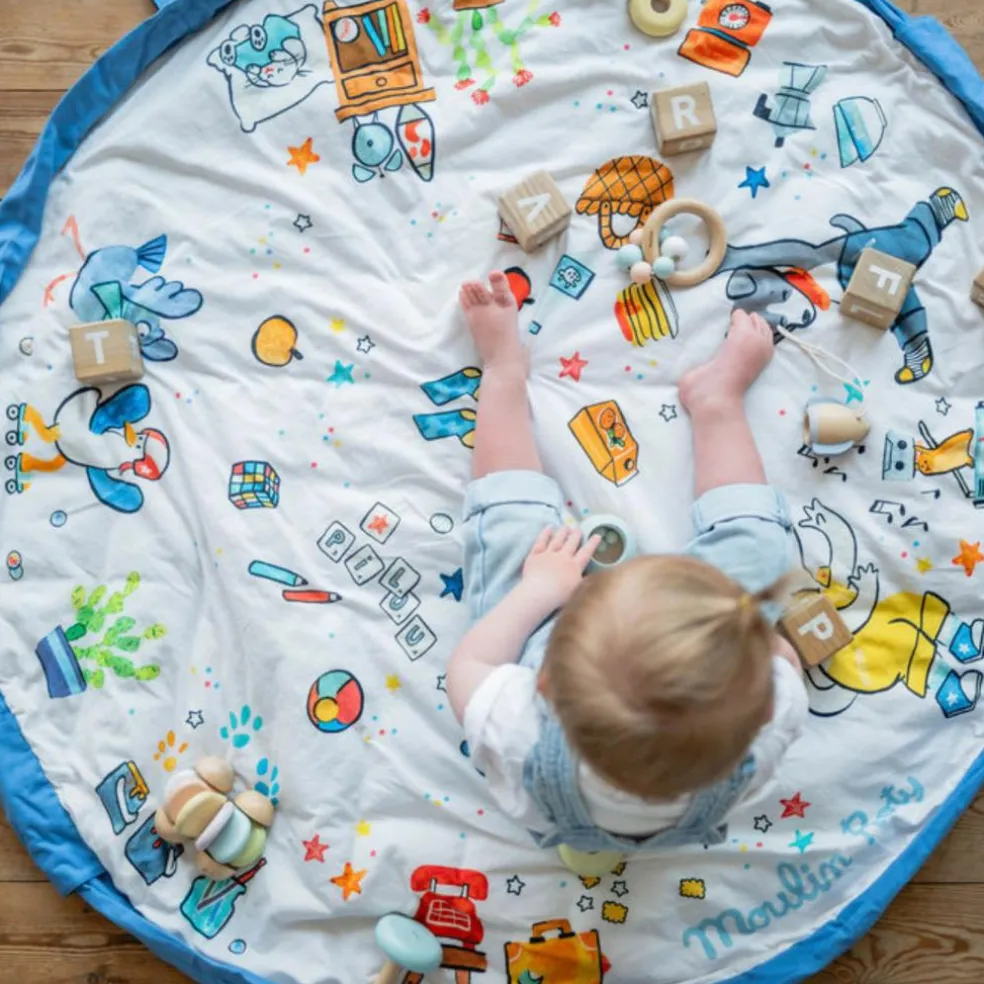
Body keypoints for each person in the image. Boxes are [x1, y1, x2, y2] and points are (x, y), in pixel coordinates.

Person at [446, 271, 809, 872]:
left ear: (543, 687)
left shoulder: (520, 737)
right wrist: (742, 624)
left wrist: (540, 592)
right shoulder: (768, 726)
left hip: (551, 615)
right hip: (711, 631)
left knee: (510, 533)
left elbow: (470, 667)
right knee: (759, 547)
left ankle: (503, 373)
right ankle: (717, 405)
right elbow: (787, 662)